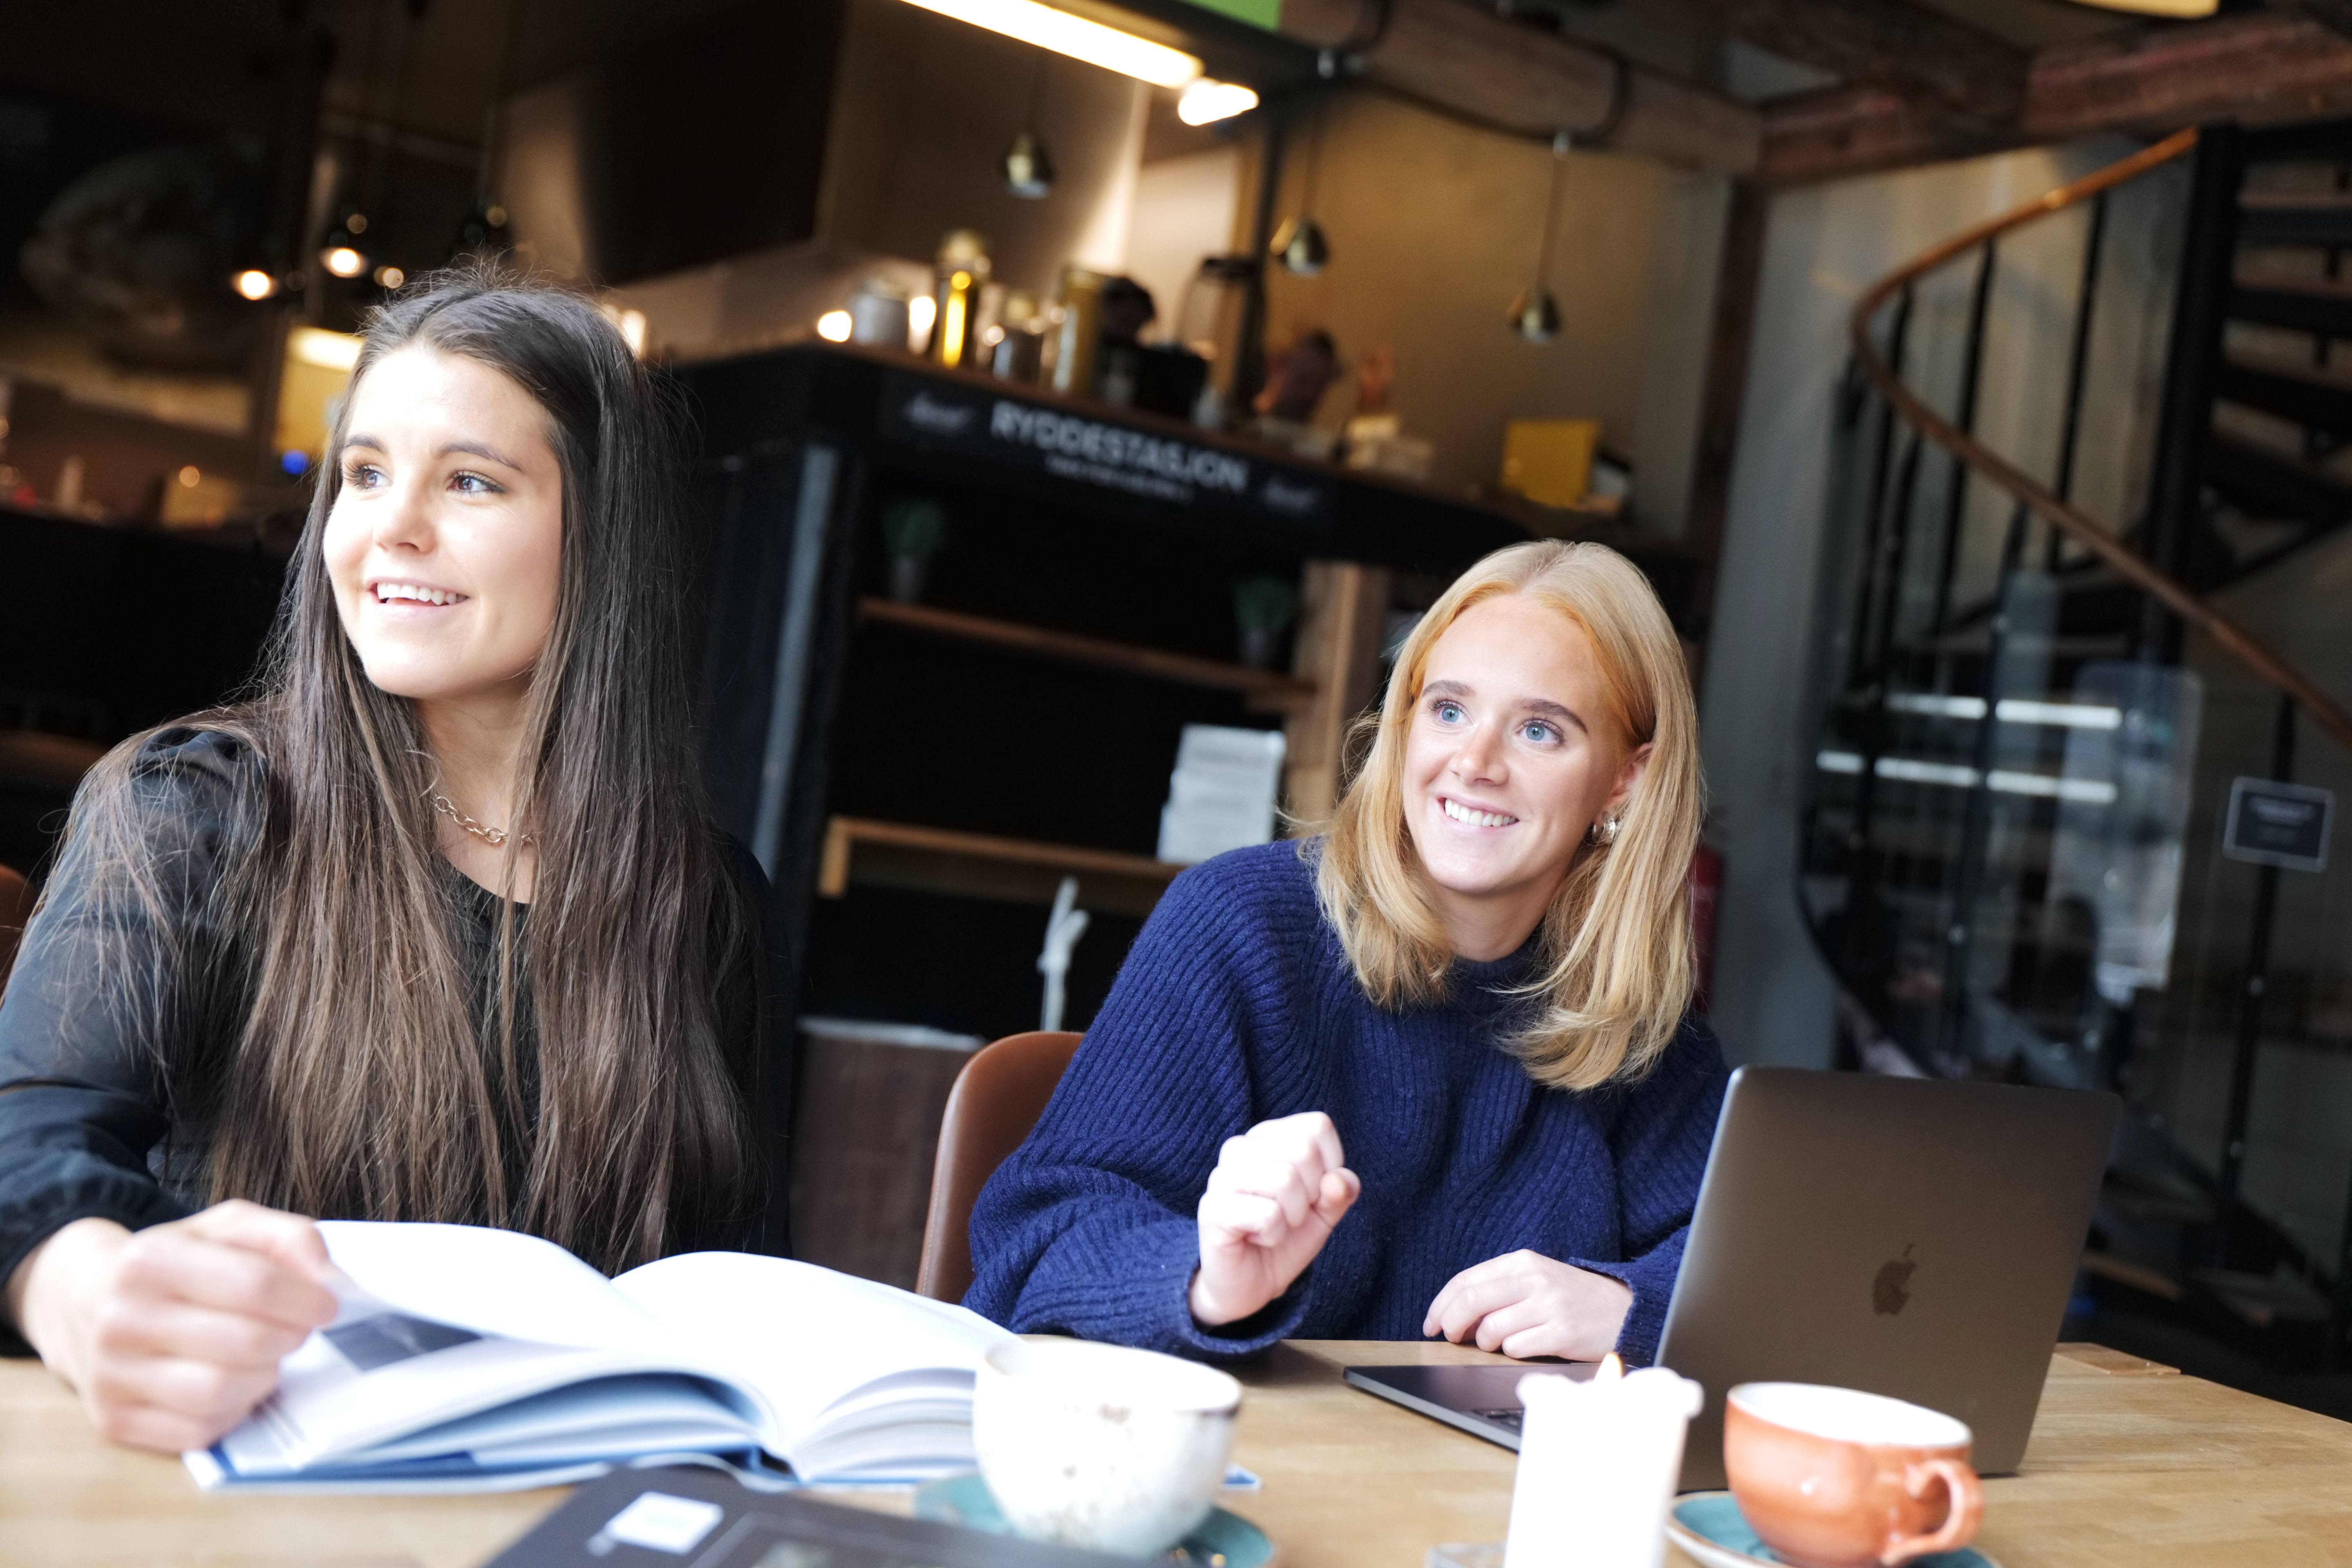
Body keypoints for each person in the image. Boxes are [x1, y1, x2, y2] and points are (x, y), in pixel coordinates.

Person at [0, 270, 782, 1453]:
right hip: (243, 1486)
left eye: (469, 481)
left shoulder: (708, 900)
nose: (388, 527)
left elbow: (738, 1292)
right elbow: (23, 1146)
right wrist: (82, 1288)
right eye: (365, 474)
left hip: (563, 1501)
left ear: (603, 536)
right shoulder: (195, 810)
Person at [966, 539, 1726, 1364]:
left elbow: (1765, 1268)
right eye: (1448, 710)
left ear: (1627, 780)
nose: (1473, 763)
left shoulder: (1634, 1028)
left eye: (1539, 730)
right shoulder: (1242, 924)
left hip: (1468, 1487)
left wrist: (1633, 1306)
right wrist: (1206, 1281)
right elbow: (1037, 1236)